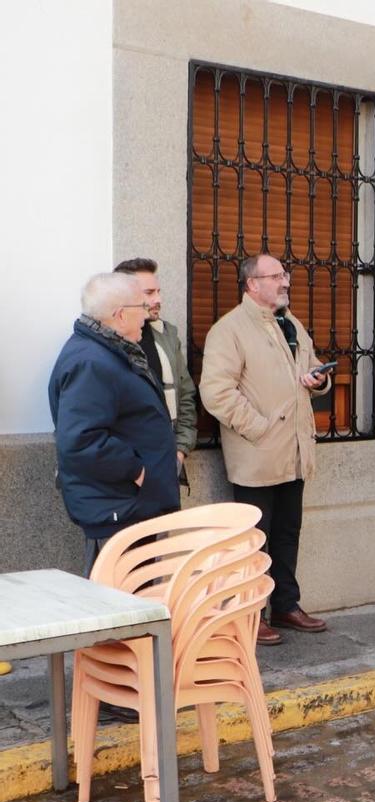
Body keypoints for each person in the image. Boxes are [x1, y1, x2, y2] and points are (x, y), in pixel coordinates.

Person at [199, 254, 331, 645]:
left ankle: (286, 605)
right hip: (257, 455)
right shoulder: (229, 330)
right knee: (253, 540)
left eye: (284, 275)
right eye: (275, 276)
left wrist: (319, 381)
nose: (284, 282)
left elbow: (312, 367)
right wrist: (258, 428)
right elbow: (216, 392)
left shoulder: (291, 324)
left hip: (293, 453)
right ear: (251, 284)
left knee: (288, 533)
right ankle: (251, 614)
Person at [48, 272, 180, 574]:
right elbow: (81, 440)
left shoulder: (104, 351)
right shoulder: (91, 361)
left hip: (128, 504)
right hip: (119, 506)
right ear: (120, 315)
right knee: (122, 604)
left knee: (136, 601)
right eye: (141, 308)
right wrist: (138, 471)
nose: (146, 317)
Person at [113, 258, 198, 479]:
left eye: (158, 291)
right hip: (128, 473)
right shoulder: (105, 345)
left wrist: (180, 450)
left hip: (168, 462)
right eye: (149, 293)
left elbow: (185, 393)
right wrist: (131, 470)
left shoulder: (167, 334)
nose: (158, 299)